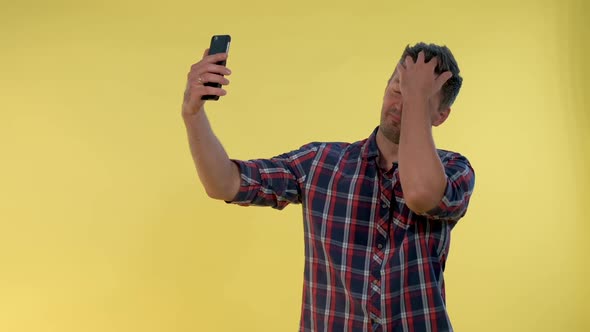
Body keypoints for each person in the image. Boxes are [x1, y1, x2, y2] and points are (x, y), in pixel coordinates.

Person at [181, 42, 476, 332]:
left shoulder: (454, 170)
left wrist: (415, 95)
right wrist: (193, 115)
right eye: (397, 88)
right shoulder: (321, 162)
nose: (401, 103)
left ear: (440, 116)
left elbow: (421, 194)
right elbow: (226, 183)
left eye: (418, 99)